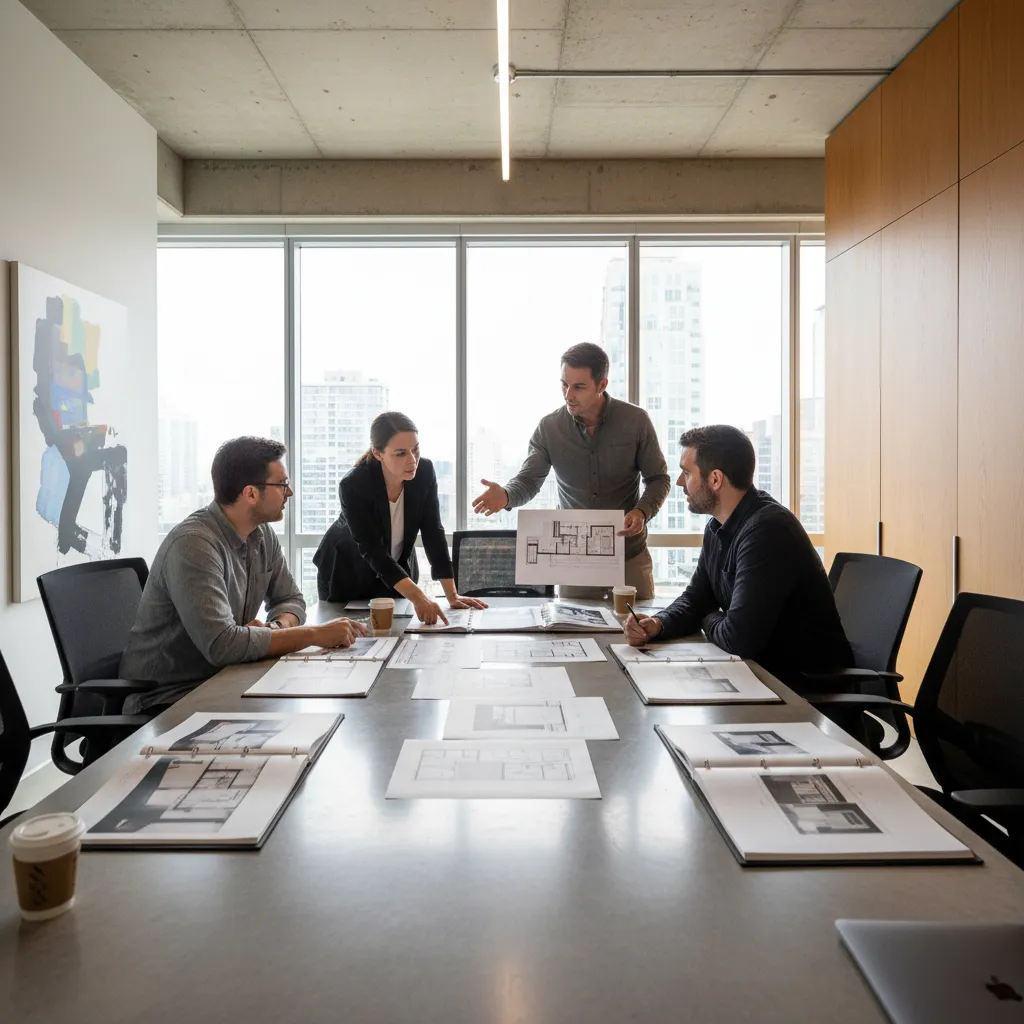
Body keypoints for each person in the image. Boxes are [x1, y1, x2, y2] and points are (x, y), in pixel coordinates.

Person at [121, 437, 365, 713]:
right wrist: (312, 635)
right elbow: (223, 645)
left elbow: (291, 599)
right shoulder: (193, 545)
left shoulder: (261, 534)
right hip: (168, 699)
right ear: (250, 494)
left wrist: (275, 629)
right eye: (282, 484)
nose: (290, 493)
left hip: (227, 679)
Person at [624, 424, 853, 690]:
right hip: (759, 675)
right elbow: (696, 597)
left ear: (715, 479)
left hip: (802, 689)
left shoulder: (767, 531)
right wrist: (658, 623)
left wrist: (705, 615)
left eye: (687, 473)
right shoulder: (719, 525)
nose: (679, 482)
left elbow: (738, 638)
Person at [471, 342, 670, 600]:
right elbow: (530, 480)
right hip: (574, 558)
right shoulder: (549, 427)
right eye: (564, 384)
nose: (568, 394)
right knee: (572, 632)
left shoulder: (636, 421)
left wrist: (642, 512)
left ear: (602, 385)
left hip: (629, 553)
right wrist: (507, 495)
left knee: (638, 629)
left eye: (579, 386)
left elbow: (658, 478)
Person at [313, 411, 487, 624]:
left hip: (396, 573)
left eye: (416, 450)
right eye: (400, 453)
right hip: (347, 571)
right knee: (352, 642)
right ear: (378, 454)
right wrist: (420, 597)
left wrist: (452, 595)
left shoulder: (424, 472)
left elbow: (433, 532)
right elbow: (373, 551)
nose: (412, 460)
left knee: (398, 635)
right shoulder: (354, 484)